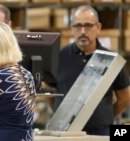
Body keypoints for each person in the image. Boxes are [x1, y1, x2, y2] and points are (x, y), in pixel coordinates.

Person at [52, 5, 130, 135]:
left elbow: (125, 97)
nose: (83, 31)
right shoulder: (59, 57)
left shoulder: (111, 59)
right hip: (66, 133)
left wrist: (107, 116)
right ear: (72, 28)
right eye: (78, 26)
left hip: (102, 133)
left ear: (98, 28)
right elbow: (50, 95)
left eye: (88, 26)